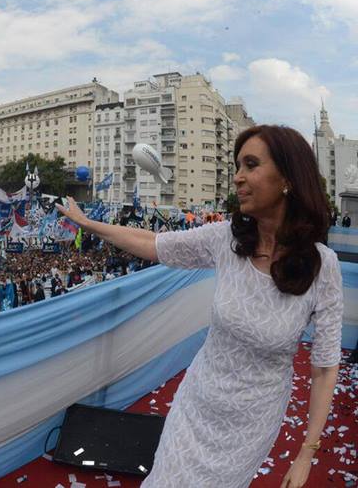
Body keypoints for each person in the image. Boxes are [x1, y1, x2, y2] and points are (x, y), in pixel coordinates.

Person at [57, 125, 343, 488]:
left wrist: (307, 452)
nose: (237, 178)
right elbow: (154, 243)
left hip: (250, 425)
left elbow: (324, 369)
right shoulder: (225, 239)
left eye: (251, 165)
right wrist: (88, 224)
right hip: (196, 405)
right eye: (237, 166)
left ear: (287, 177)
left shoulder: (324, 267)